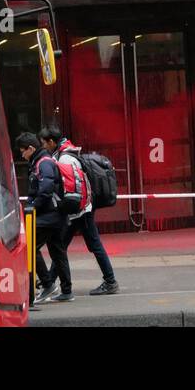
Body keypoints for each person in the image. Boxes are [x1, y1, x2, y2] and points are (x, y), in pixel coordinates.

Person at [43, 126, 120, 296]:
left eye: (44, 143)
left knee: (92, 245)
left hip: (80, 211)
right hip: (80, 209)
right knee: (60, 246)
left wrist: (70, 208)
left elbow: (75, 187)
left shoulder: (65, 159)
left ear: (51, 142)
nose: (43, 147)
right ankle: (48, 281)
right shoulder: (66, 152)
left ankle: (110, 281)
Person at [17, 131, 73, 305]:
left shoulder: (43, 163)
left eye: (23, 151)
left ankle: (48, 284)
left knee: (30, 247)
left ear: (31, 148)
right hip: (56, 215)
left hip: (49, 215)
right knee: (57, 251)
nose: (22, 154)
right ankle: (66, 290)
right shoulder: (43, 161)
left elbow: (46, 188)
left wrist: (33, 206)